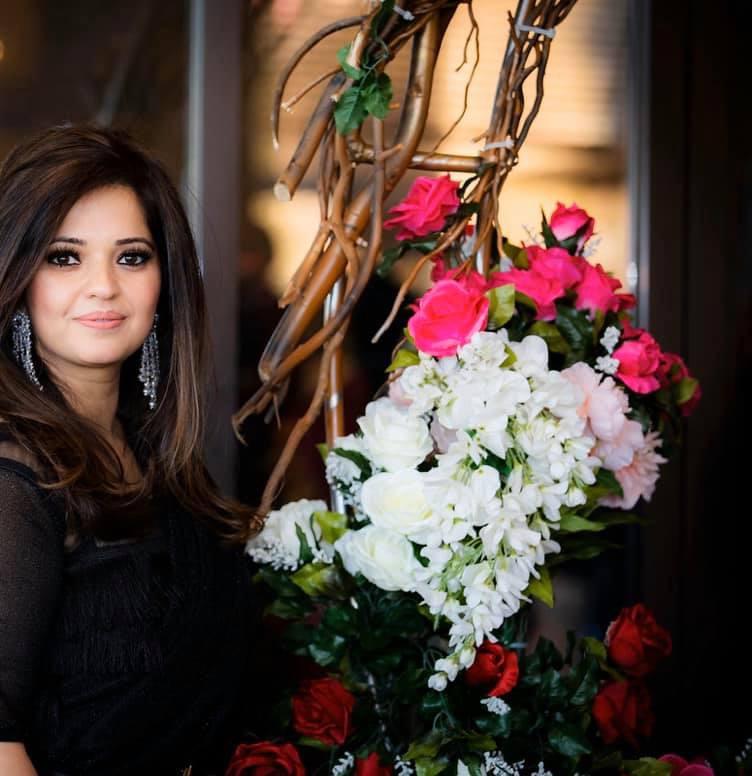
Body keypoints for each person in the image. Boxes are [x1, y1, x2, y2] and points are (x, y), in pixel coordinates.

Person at [0, 125, 260, 775]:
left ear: (163, 280)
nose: (103, 287)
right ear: (18, 277)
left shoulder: (156, 457)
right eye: (65, 257)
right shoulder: (14, 481)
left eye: (132, 257)